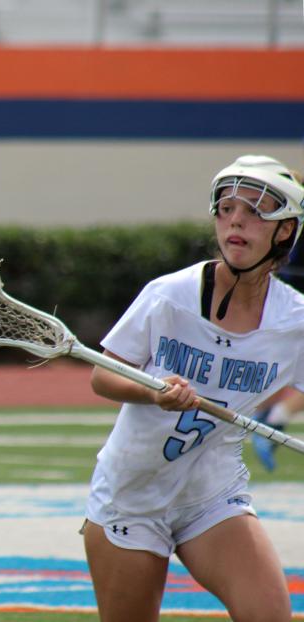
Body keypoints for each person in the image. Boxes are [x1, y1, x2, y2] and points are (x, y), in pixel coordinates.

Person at [82, 154, 303, 622]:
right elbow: (103, 375)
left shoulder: (295, 322)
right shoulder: (170, 295)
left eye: (255, 210)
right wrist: (152, 390)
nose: (236, 221)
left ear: (285, 230)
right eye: (226, 209)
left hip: (212, 494)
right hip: (132, 494)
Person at [249, 169, 304, 471]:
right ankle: (274, 415)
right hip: (290, 293)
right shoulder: (292, 195)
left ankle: (271, 414)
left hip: (286, 291)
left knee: (280, 366)